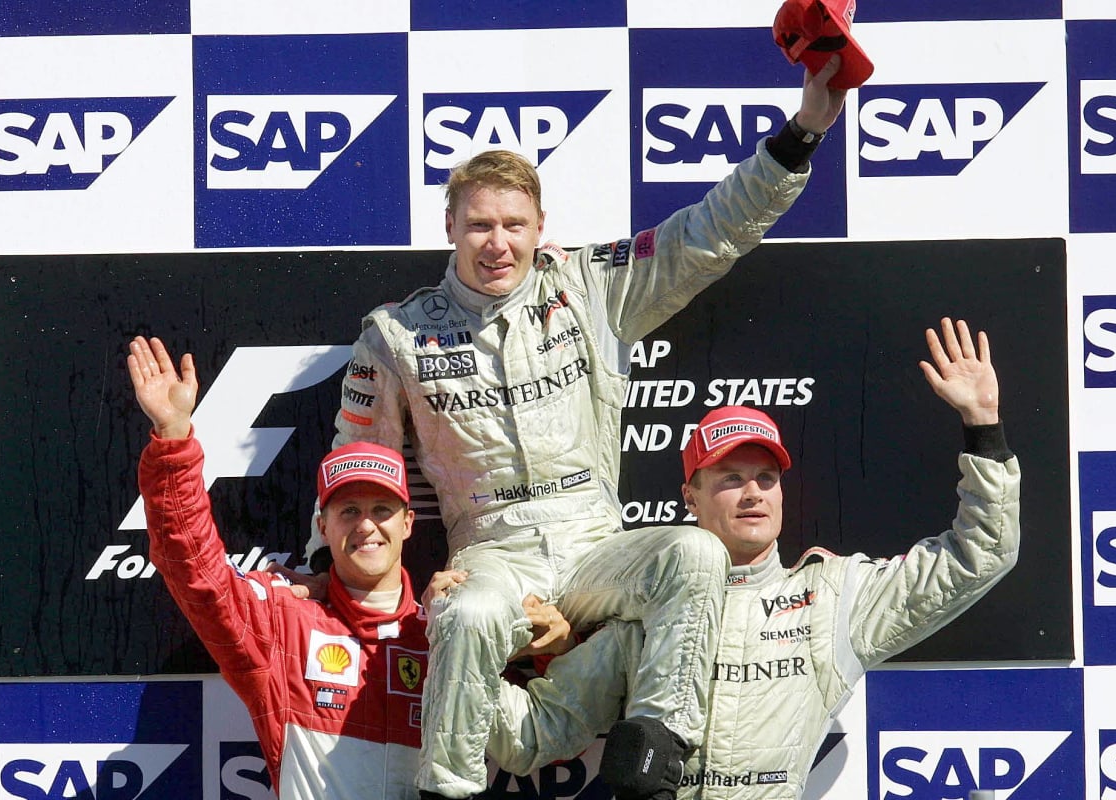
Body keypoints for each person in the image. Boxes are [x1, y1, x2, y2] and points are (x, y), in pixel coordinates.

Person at [304, 57, 851, 800]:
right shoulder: (396, 335)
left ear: (540, 228)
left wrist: (804, 132)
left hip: (595, 546)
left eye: (514, 226)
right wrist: (322, 573)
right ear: (450, 228)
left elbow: (707, 234)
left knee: (695, 551)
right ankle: (445, 791)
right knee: (464, 610)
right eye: (479, 226)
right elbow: (355, 462)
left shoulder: (589, 285)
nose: (497, 244)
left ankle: (653, 760)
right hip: (493, 551)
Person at [480, 318, 1021, 800]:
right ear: (690, 497)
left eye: (766, 478)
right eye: (731, 479)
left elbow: (980, 555)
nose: (753, 493)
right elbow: (538, 735)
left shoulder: (834, 597)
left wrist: (984, 426)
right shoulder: (645, 608)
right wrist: (461, 649)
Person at [128, 335, 431, 799]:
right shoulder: (284, 624)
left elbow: (535, 725)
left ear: (408, 523)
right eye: (349, 511)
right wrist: (173, 437)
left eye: (382, 510)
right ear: (323, 527)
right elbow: (194, 569)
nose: (366, 525)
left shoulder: (446, 632)